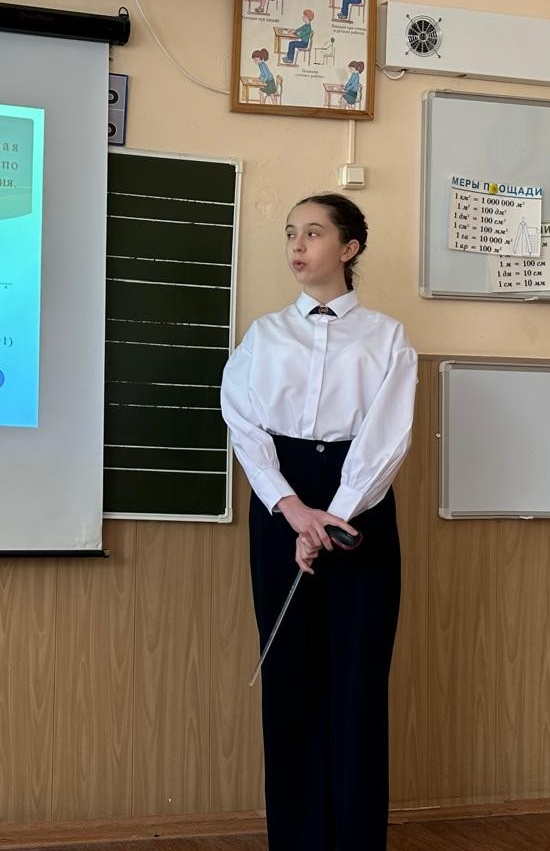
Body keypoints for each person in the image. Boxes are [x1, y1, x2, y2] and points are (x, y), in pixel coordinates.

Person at [220, 194, 417, 851]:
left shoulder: (387, 335)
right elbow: (243, 423)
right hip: (282, 501)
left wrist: (335, 516)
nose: (297, 246)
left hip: (361, 505)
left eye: (313, 233)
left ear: (349, 248)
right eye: (290, 235)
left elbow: (387, 436)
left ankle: (356, 838)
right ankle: (298, 838)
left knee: (358, 676)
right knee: (290, 675)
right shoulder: (264, 334)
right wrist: (292, 509)